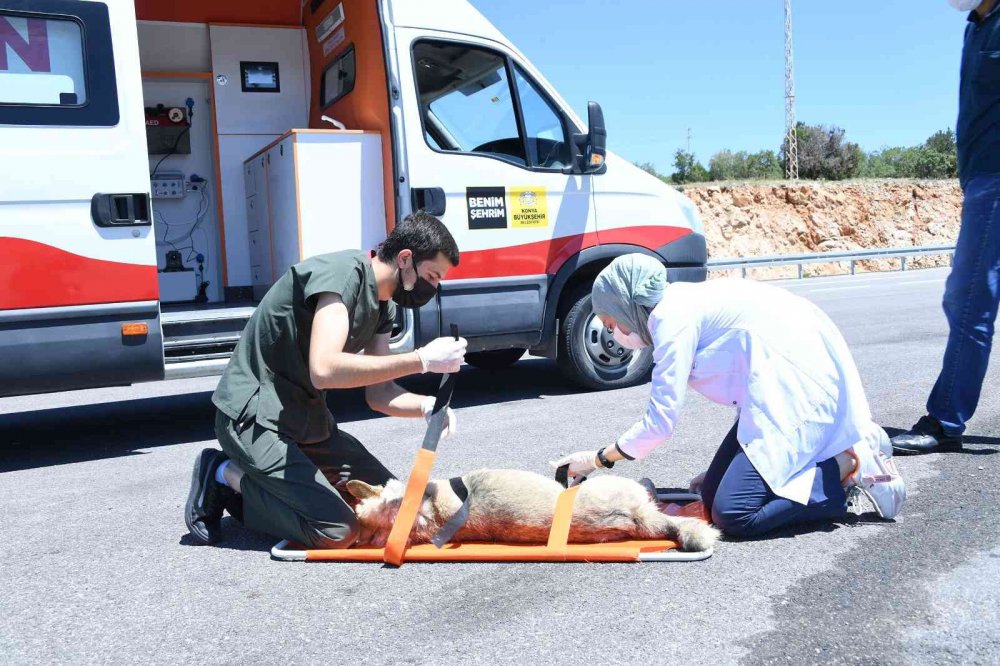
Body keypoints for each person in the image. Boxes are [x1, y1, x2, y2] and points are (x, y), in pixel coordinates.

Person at [551, 254, 906, 539]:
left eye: (612, 323)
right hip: (776, 390)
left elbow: (659, 424)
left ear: (626, 303)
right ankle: (829, 463)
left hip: (799, 391)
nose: (615, 335)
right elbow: (751, 371)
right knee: (710, 495)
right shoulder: (678, 305)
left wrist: (597, 459)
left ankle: (844, 469)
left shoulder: (671, 320)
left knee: (734, 514)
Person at [184, 212, 467, 547]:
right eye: (432, 276)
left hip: (305, 421)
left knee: (392, 507)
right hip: (254, 418)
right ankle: (223, 475)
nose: (432, 289)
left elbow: (379, 393)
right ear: (406, 258)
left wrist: (425, 406)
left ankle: (275, 486)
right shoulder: (343, 276)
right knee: (337, 530)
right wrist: (421, 360)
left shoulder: (384, 307)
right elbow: (325, 368)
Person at [892, 0, 1000, 453]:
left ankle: (945, 421)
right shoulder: (977, 26)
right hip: (981, 178)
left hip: (996, 179)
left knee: (969, 297)